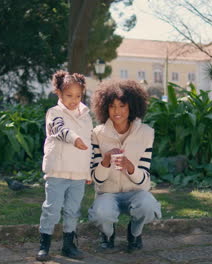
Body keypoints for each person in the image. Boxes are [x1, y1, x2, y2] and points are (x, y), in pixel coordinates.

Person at [88, 80, 162, 253]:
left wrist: (130, 167)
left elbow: (144, 181)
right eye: (112, 106)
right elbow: (96, 179)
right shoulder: (97, 134)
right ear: (105, 107)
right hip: (107, 192)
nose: (117, 111)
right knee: (101, 213)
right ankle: (108, 234)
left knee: (148, 206)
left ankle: (134, 233)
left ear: (132, 107)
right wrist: (105, 161)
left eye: (122, 106)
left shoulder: (146, 133)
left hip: (136, 191)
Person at [36, 70, 93, 261]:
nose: (74, 100)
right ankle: (44, 245)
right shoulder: (54, 113)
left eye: (78, 96)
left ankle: (68, 245)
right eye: (69, 95)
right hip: (57, 171)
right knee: (52, 208)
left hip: (78, 174)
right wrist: (74, 138)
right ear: (59, 93)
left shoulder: (86, 116)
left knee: (72, 210)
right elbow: (59, 129)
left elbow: (90, 144)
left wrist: (88, 171)